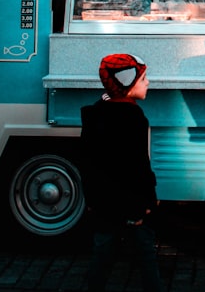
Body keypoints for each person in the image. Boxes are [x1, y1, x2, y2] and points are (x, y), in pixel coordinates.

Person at [80, 54, 162, 292]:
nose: (148, 83)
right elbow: (138, 167)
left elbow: (88, 163)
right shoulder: (133, 118)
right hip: (132, 205)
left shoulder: (96, 112)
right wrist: (146, 202)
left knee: (102, 254)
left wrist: (93, 200)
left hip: (104, 204)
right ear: (127, 83)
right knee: (146, 255)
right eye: (143, 78)